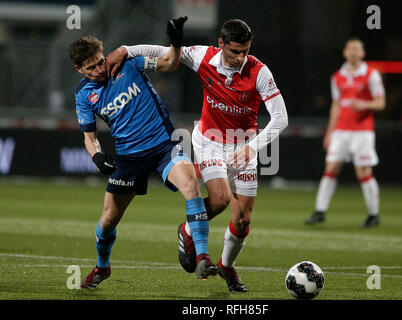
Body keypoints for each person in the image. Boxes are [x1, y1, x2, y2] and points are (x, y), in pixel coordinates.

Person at [106, 19, 288, 292]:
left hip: (244, 145)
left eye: (246, 50)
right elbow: (162, 51)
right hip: (210, 141)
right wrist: (124, 49)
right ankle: (189, 231)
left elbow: (281, 118)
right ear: (221, 44)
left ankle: (226, 266)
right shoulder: (205, 56)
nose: (241, 57)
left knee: (242, 221)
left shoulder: (259, 72)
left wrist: (252, 147)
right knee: (220, 198)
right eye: (235, 51)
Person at [69, 17, 218, 289]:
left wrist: (175, 41)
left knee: (191, 186)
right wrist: (97, 158)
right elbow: (89, 138)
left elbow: (170, 63)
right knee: (108, 220)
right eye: (90, 68)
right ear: (79, 69)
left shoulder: (129, 64)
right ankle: (102, 267)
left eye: (100, 61)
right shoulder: (83, 95)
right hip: (129, 158)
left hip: (164, 146)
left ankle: (203, 257)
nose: (99, 69)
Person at [305, 37, 385, 228]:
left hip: (362, 130)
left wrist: (364, 104)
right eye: (350, 49)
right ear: (345, 52)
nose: (354, 52)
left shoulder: (371, 75)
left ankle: (373, 215)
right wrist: (329, 132)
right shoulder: (337, 76)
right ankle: (319, 211)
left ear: (363, 53)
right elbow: (336, 105)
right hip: (341, 130)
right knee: (330, 168)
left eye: (357, 49)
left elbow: (381, 103)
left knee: (363, 171)